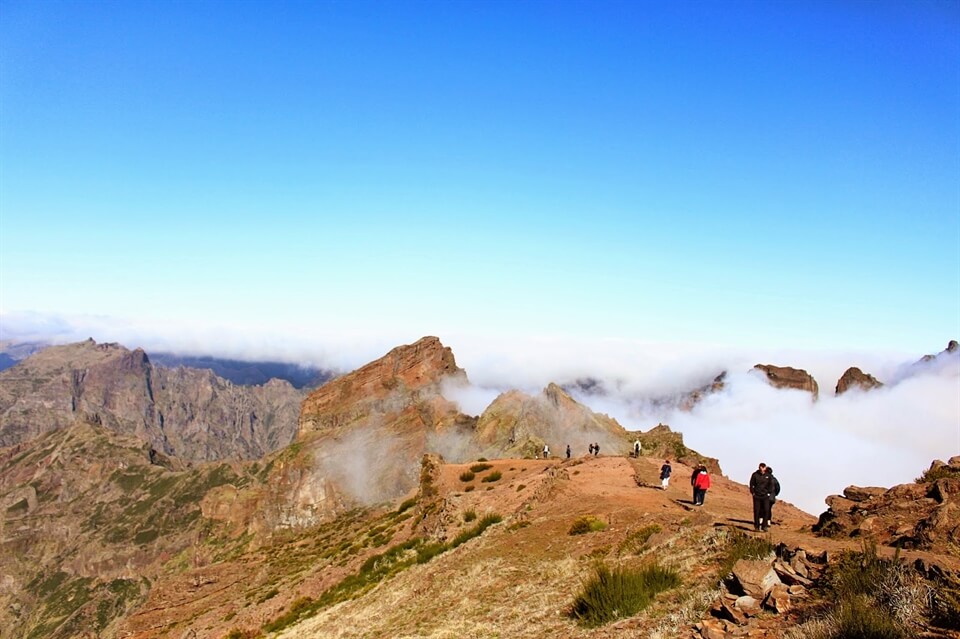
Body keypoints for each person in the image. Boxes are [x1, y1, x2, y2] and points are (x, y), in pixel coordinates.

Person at [750, 463, 774, 531]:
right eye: (761, 467)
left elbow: (771, 485)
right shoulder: (755, 475)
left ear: (765, 468)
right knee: (757, 511)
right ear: (759, 467)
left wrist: (769, 493)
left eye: (763, 467)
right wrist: (753, 493)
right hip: (757, 496)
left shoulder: (768, 476)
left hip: (765, 496)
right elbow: (751, 484)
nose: (762, 468)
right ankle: (757, 527)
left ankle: (764, 526)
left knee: (766, 510)